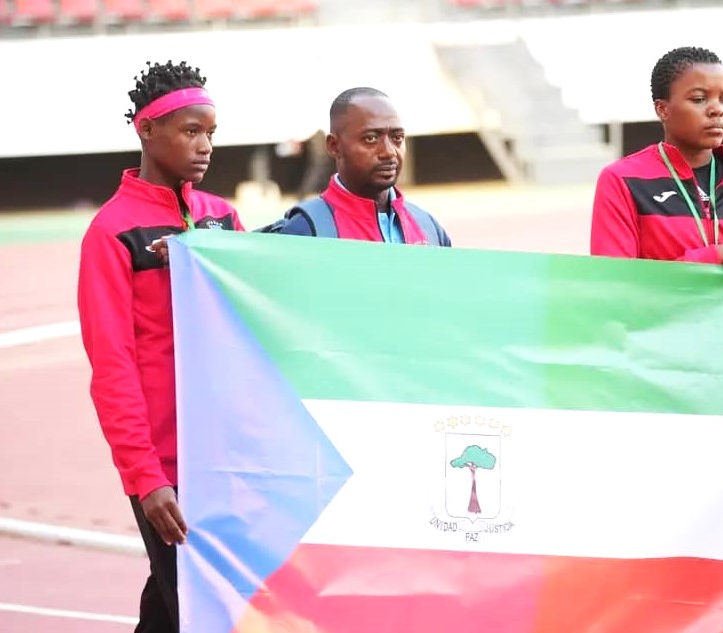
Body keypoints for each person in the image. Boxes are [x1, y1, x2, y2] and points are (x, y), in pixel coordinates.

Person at [589, 46, 723, 633]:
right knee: (654, 581)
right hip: (658, 404)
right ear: (662, 108)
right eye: (698, 98)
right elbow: (614, 293)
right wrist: (713, 259)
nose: (717, 111)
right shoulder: (622, 182)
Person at [76, 60, 245, 633]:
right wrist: (146, 477)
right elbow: (112, 367)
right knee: (203, 610)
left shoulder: (223, 218)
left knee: (181, 605)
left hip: (227, 456)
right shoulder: (111, 232)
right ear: (146, 131)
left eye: (211, 133)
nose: (205, 147)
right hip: (167, 467)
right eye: (190, 131)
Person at [261, 87, 451, 246]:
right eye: (370, 138)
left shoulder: (428, 226)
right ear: (334, 146)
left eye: (397, 138)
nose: (389, 151)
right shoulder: (306, 230)